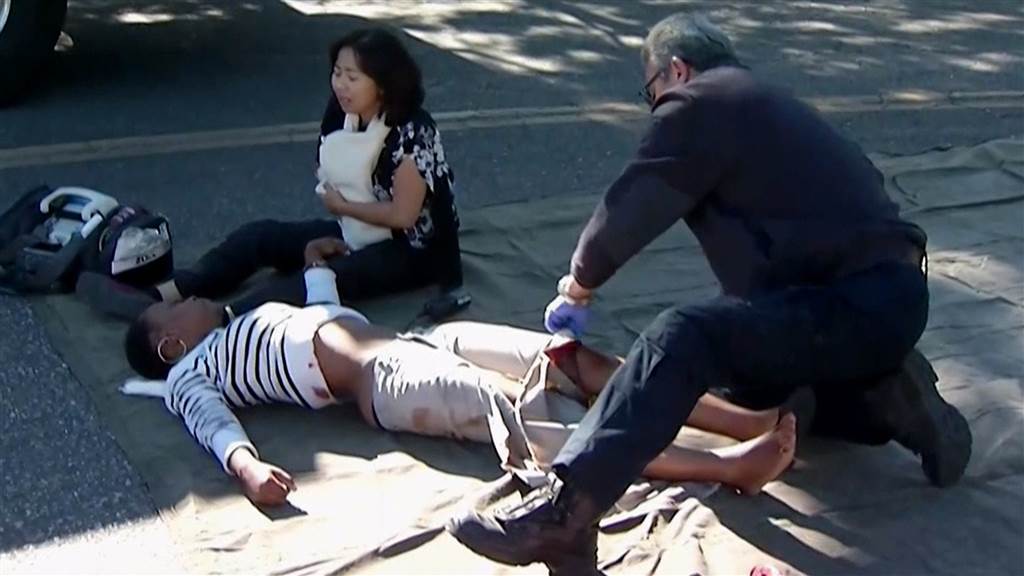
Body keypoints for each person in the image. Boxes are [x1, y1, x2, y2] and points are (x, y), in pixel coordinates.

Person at [446, 13, 973, 574]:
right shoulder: (765, 105)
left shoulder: (701, 102)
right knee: (744, 384)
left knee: (683, 337)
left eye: (651, 92)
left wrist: (579, 287)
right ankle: (891, 394)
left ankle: (567, 512)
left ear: (676, 70)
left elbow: (630, 208)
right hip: (885, 298)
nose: (655, 108)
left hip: (854, 302)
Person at [123, 236, 805, 507]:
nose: (191, 299)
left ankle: (743, 420)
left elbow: (324, 315)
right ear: (171, 347)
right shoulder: (191, 375)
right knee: (543, 424)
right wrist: (245, 467)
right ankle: (727, 466)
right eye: (173, 311)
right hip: (389, 384)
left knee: (564, 358)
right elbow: (210, 423)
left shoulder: (243, 324)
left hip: (423, 339)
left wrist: (316, 269)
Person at [80, 27, 468, 323]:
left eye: (353, 77)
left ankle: (216, 320)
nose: (341, 85)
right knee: (260, 237)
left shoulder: (413, 130)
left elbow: (403, 215)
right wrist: (339, 202)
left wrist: (342, 206)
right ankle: (161, 295)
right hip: (355, 227)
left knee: (317, 277)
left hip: (413, 250)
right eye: (337, 73)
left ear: (382, 85)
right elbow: (328, 163)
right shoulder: (342, 112)